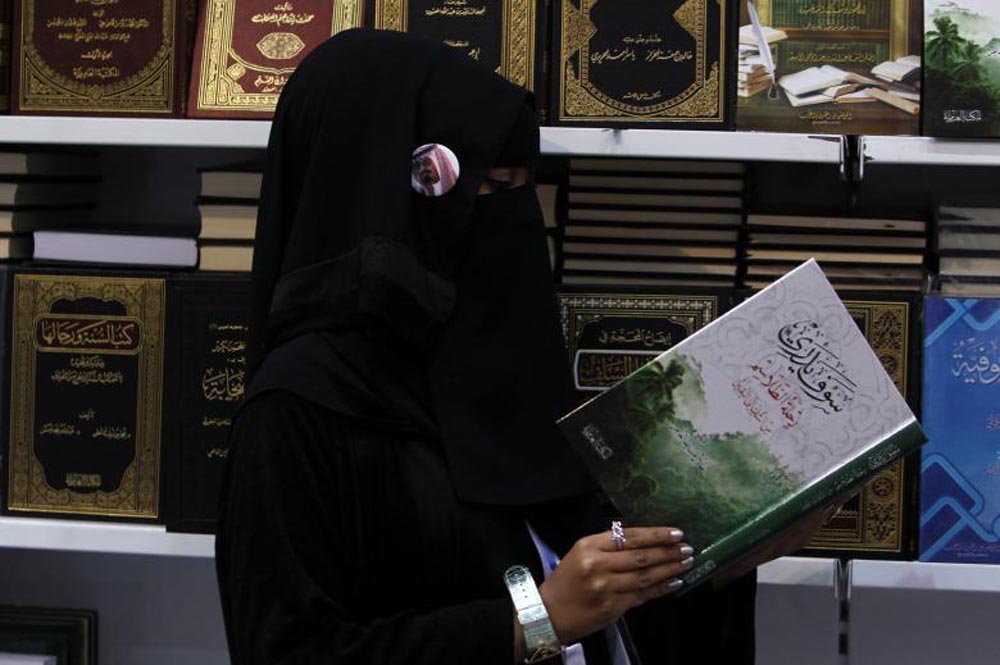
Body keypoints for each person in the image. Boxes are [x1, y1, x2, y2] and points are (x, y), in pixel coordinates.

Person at [215, 28, 830, 665]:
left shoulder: (504, 370)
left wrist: (724, 560)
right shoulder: (296, 413)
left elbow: (588, 592)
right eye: (482, 187)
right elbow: (290, 651)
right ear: (372, 191)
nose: (510, 214)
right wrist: (536, 622)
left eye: (518, 185)